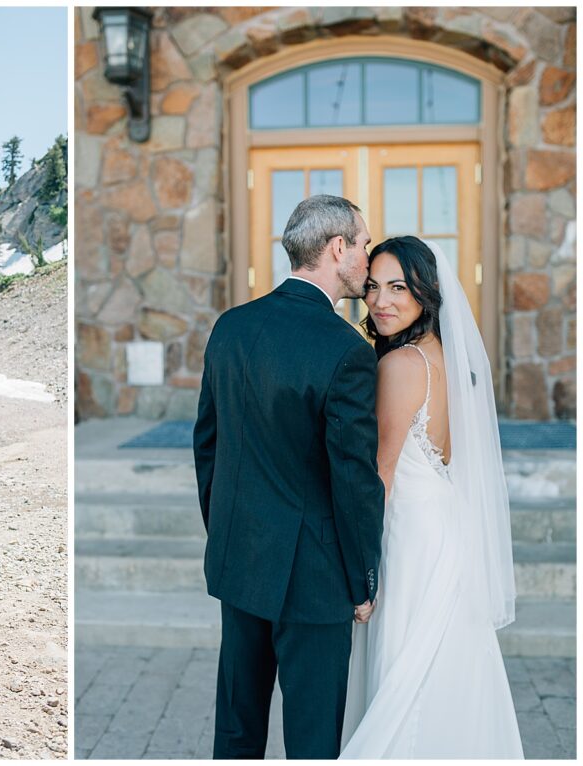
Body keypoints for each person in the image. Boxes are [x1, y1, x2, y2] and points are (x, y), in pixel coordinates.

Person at [194, 194, 385, 759]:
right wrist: (363, 579)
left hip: (240, 561)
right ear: (337, 248)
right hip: (315, 577)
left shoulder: (230, 327)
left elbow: (208, 446)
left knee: (236, 727)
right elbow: (354, 479)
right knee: (311, 740)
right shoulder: (345, 350)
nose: (369, 258)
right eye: (365, 244)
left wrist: (225, 533)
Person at [340, 236, 522, 758]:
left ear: (426, 292)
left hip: (410, 539)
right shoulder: (448, 361)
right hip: (445, 529)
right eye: (372, 287)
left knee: (406, 670)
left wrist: (363, 573)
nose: (380, 301)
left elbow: (382, 472)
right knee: (445, 662)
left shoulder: (399, 366)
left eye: (398, 287)